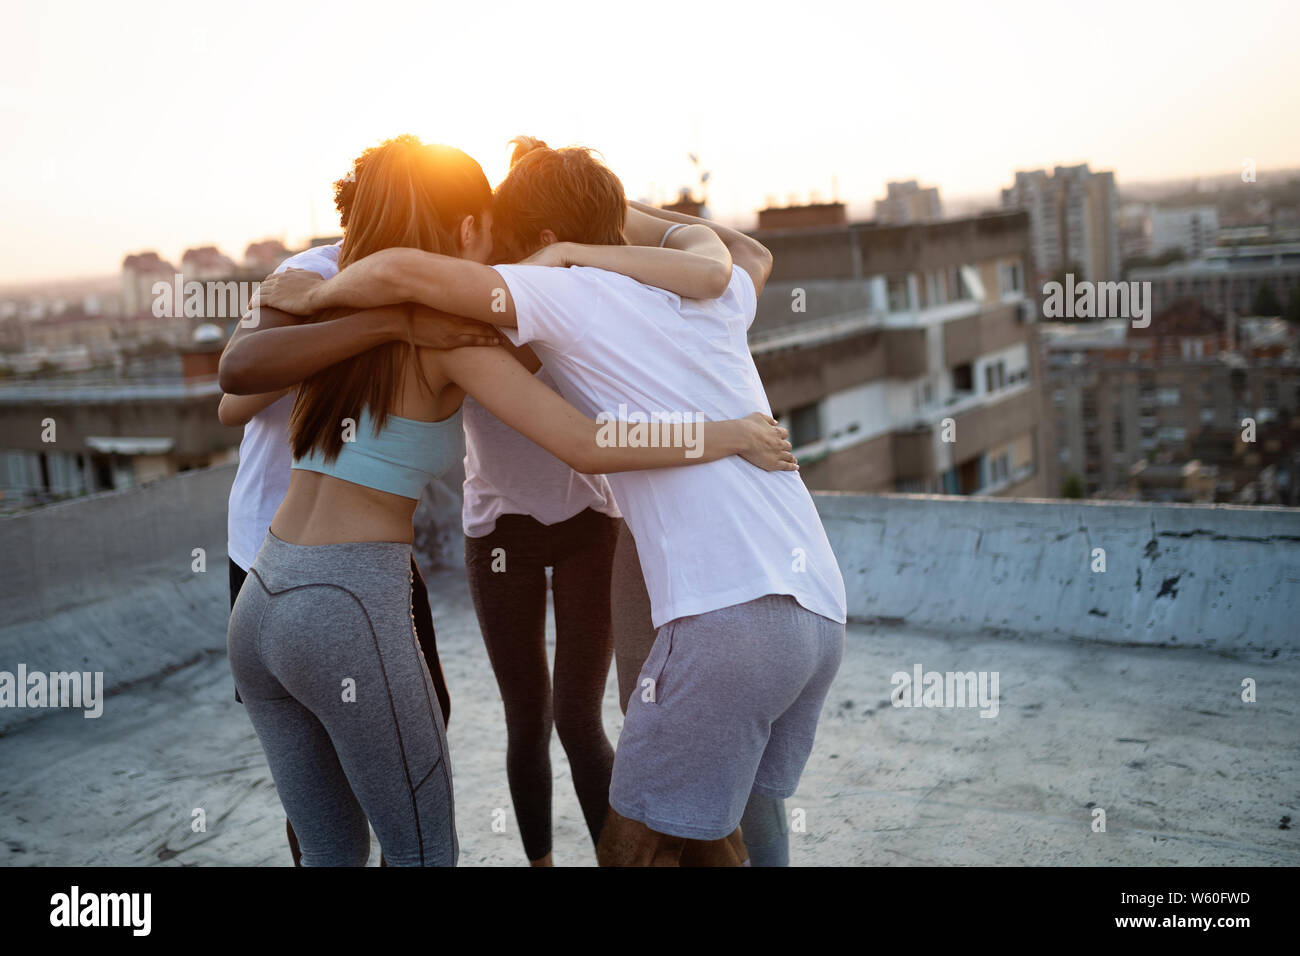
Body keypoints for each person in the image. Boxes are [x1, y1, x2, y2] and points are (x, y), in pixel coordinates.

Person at [256, 136, 848, 867]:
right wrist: (600, 221)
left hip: (725, 619)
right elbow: (740, 252)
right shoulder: (709, 292)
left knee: (635, 847)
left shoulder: (557, 289)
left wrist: (317, 296)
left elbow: (580, 435)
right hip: (818, 605)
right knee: (734, 819)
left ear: (538, 237)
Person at [218, 236, 490, 865]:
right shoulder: (308, 274)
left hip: (366, 544)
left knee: (421, 719)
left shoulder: (420, 274)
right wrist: (364, 328)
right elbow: (233, 399)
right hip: (268, 540)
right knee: (316, 762)